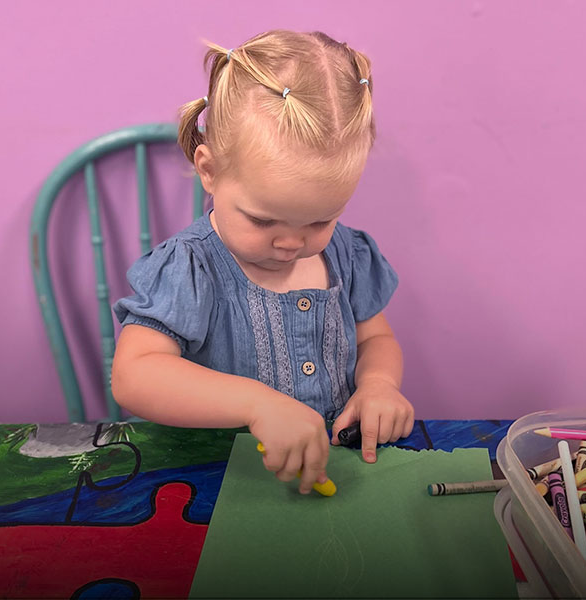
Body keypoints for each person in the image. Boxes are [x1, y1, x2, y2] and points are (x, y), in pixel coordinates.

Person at [112, 30, 414, 494]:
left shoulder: (347, 255)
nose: (291, 243)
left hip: (331, 471)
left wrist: (378, 385)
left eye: (320, 220)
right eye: (263, 219)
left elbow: (376, 337)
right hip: (212, 483)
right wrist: (256, 405)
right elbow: (135, 375)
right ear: (209, 171)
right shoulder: (192, 267)